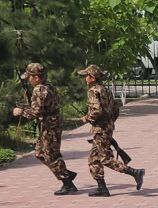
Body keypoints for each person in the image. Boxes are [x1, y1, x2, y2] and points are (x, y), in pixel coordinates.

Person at [77, 64, 146, 197]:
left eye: (86, 76)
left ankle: (135, 172)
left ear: (92, 77)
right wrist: (110, 122)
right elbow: (115, 109)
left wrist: (87, 118)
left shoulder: (93, 91)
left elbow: (96, 110)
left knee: (105, 158)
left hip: (100, 129)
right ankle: (102, 188)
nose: (85, 78)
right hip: (106, 127)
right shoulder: (105, 90)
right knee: (93, 159)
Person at [13, 63, 78, 195]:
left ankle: (68, 183)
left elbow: (35, 113)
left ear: (36, 77)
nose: (28, 80)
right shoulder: (49, 86)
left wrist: (20, 111)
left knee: (51, 155)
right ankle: (65, 173)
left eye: (30, 77)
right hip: (48, 126)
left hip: (50, 127)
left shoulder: (40, 89)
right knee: (40, 153)